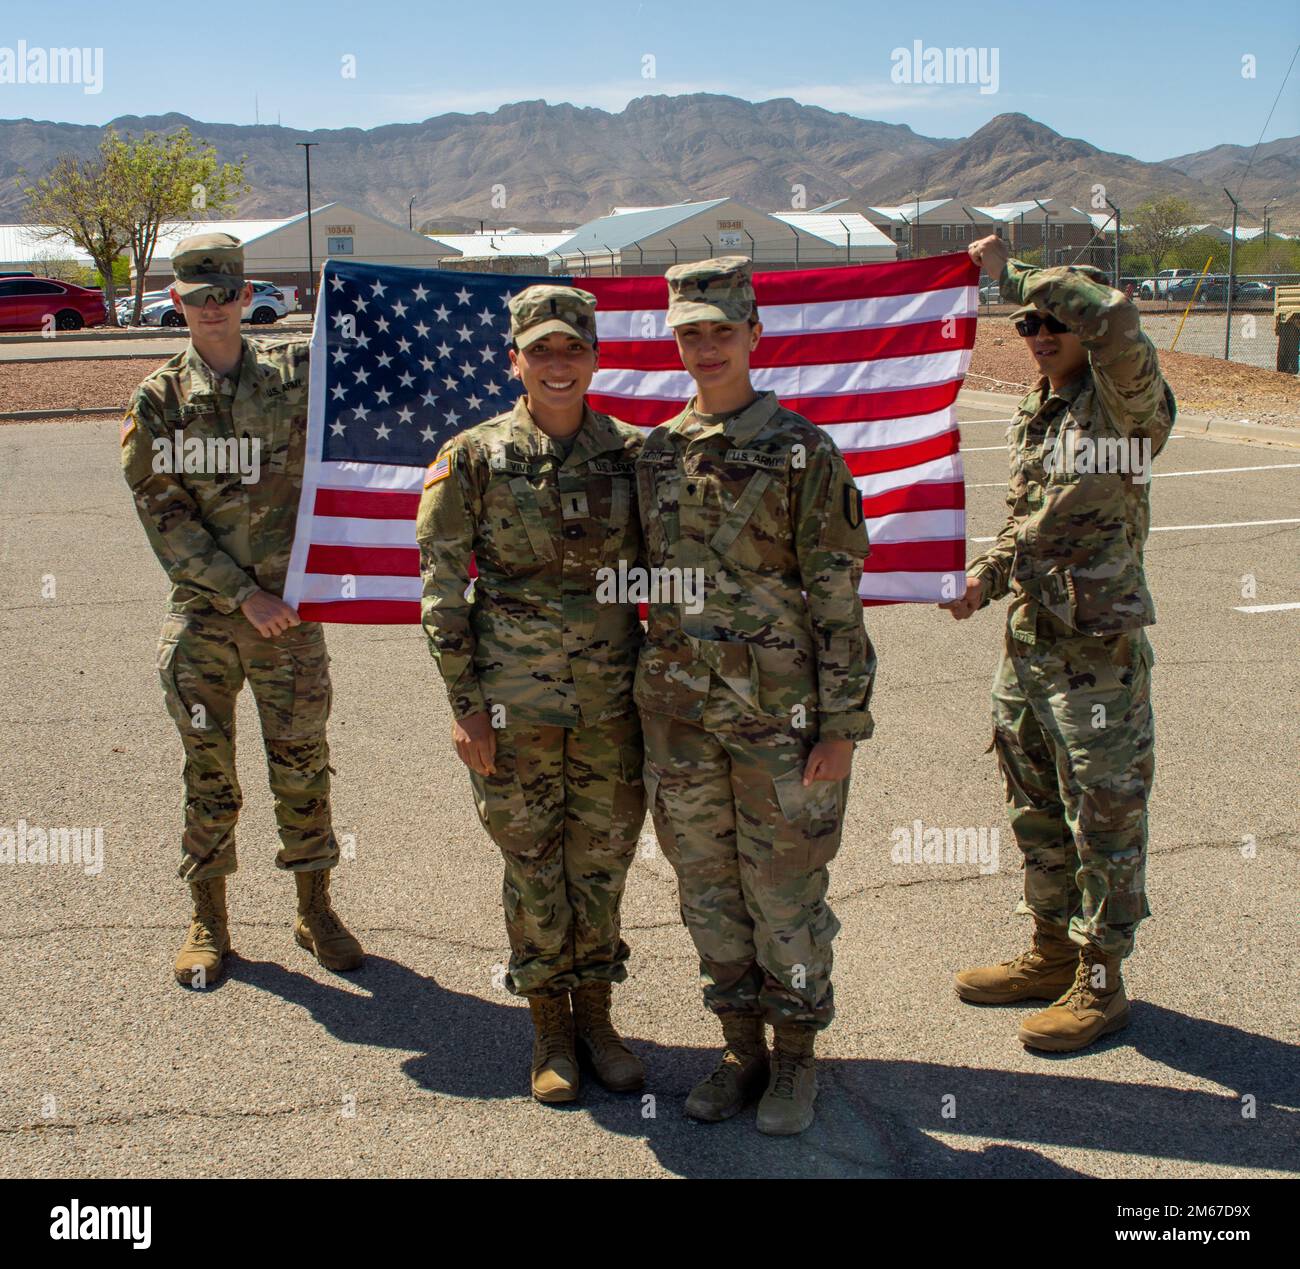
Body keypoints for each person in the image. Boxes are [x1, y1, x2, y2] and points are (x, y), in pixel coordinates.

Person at [635, 257, 876, 1135]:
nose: (706, 347)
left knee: (783, 894)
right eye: (690, 332)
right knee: (705, 889)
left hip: (783, 721)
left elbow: (838, 597)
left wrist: (845, 725)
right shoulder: (654, 453)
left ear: (753, 336)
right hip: (680, 719)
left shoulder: (804, 451)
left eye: (721, 331)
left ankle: (797, 1055)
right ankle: (740, 1046)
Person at [943, 234, 1174, 1053]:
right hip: (1030, 642)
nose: (1039, 334)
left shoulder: (1126, 407)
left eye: (1051, 321)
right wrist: (983, 574)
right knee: (1036, 804)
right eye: (1024, 325)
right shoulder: (1038, 410)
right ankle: (1049, 951)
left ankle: (1102, 981)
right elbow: (1028, 523)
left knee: (1104, 814)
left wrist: (1012, 272)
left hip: (1096, 654)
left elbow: (1113, 318)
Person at [416, 285, 647, 1104]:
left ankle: (599, 1017)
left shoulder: (633, 454)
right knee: (532, 865)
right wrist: (465, 705)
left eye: (571, 349)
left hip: (612, 707)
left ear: (594, 357)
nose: (558, 365)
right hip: (511, 710)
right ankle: (549, 1021)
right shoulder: (471, 457)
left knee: (604, 866)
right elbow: (442, 590)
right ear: (513, 360)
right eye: (540, 350)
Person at [122, 232, 363, 988]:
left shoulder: (295, 374)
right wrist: (242, 594)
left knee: (302, 766)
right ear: (176, 302)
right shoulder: (159, 401)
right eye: (198, 297)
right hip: (207, 622)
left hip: (289, 622)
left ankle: (314, 905)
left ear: (243, 293)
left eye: (226, 293)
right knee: (208, 769)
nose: (214, 309)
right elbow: (164, 512)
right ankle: (209, 917)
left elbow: (371, 375)